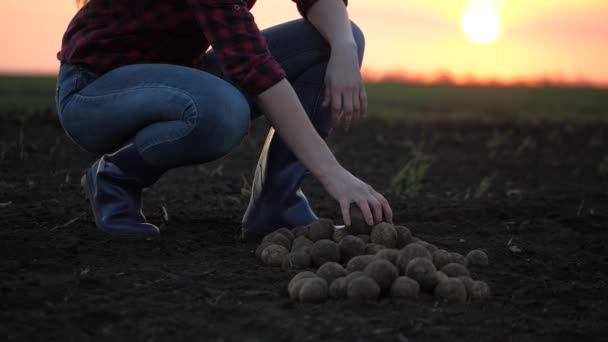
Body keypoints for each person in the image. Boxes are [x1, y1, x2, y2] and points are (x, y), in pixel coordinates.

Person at [55, 0, 393, 240]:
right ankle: (116, 176)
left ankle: (278, 205)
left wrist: (345, 49)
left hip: (180, 77)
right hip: (94, 91)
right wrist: (333, 173)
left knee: (336, 37)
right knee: (223, 111)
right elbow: (253, 68)